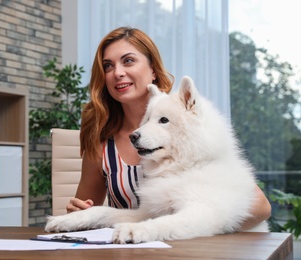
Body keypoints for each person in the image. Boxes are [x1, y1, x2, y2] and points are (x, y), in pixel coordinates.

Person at [67, 26, 271, 230]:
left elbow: (261, 208)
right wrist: (79, 213)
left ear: (153, 70)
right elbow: (84, 210)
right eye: (108, 66)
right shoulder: (102, 142)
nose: (117, 73)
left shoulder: (188, 123)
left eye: (128, 61)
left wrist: (195, 222)